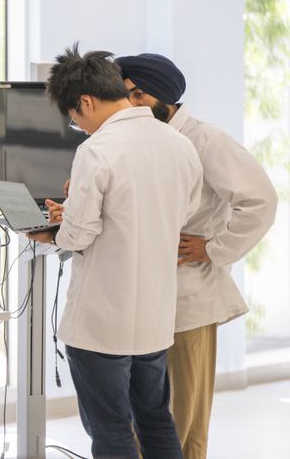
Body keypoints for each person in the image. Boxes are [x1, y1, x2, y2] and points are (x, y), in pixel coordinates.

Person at [27, 44, 203, 459]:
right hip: (155, 318)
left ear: (85, 101)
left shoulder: (97, 150)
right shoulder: (179, 144)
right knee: (157, 420)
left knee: (110, 431)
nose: (79, 126)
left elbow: (80, 234)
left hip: (102, 323)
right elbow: (184, 210)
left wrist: (56, 232)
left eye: (74, 117)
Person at [114, 53, 278, 459]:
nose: (132, 104)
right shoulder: (137, 140)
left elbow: (261, 200)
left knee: (184, 422)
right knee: (148, 418)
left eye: (139, 94)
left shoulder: (206, 139)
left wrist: (214, 247)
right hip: (144, 297)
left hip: (190, 299)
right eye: (125, 95)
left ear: (166, 96)